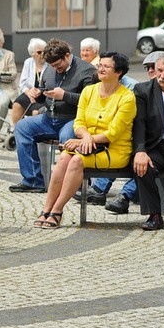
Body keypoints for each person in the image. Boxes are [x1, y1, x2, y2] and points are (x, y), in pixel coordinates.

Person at [34, 52, 135, 229]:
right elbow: (79, 122)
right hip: (89, 145)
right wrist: (85, 137)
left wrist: (83, 142)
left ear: (118, 72)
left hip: (114, 150)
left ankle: (57, 211)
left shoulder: (127, 98)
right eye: (100, 65)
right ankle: (46, 209)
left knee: (76, 161)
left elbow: (113, 133)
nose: (100, 69)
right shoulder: (89, 91)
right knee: (65, 157)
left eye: (106, 66)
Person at [9, 39, 96, 193]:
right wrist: (38, 94)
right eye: (52, 66)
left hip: (73, 120)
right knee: (22, 127)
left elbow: (90, 101)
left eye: (58, 65)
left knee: (67, 140)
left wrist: (65, 96)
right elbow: (45, 92)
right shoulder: (49, 70)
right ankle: (33, 181)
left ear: (67, 55)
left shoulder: (87, 70)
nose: (56, 69)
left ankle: (71, 185)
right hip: (49, 118)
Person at [132, 51, 164, 231]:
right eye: (159, 70)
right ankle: (154, 216)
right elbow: (139, 123)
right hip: (157, 147)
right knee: (142, 168)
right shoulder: (143, 91)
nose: (162, 75)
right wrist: (140, 151)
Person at [11, 38, 48, 125]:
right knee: (16, 105)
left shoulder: (49, 64)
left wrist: (38, 92)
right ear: (32, 54)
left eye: (44, 52)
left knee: (36, 111)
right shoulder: (28, 62)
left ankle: (34, 133)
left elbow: (50, 84)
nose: (42, 54)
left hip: (44, 95)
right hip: (29, 92)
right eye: (39, 52)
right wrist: (29, 93)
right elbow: (22, 84)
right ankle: (17, 131)